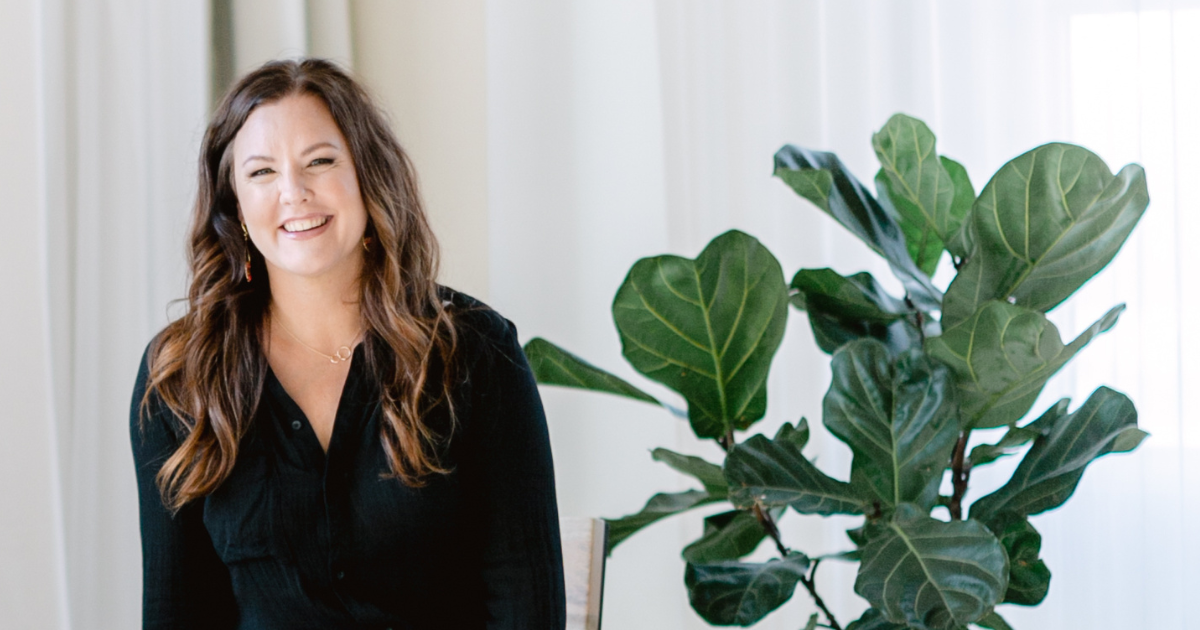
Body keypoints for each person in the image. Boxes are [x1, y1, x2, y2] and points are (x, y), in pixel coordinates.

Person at [129, 58, 566, 630]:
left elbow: (526, 609)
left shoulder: (476, 352)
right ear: (234, 204)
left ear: (368, 175)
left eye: (320, 161)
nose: (294, 192)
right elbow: (176, 611)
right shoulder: (182, 376)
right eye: (261, 173)